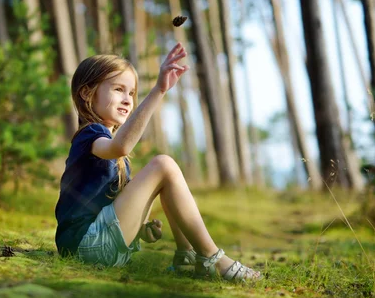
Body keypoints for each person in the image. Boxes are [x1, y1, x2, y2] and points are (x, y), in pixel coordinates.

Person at [54, 42, 261, 282]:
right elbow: (120, 146)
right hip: (85, 245)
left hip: (91, 245)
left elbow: (103, 201)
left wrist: (141, 229)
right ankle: (212, 258)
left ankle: (187, 257)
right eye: (118, 89)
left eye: (131, 93)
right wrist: (158, 91)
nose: (127, 99)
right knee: (163, 165)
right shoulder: (90, 134)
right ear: (87, 93)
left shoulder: (105, 141)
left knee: (164, 176)